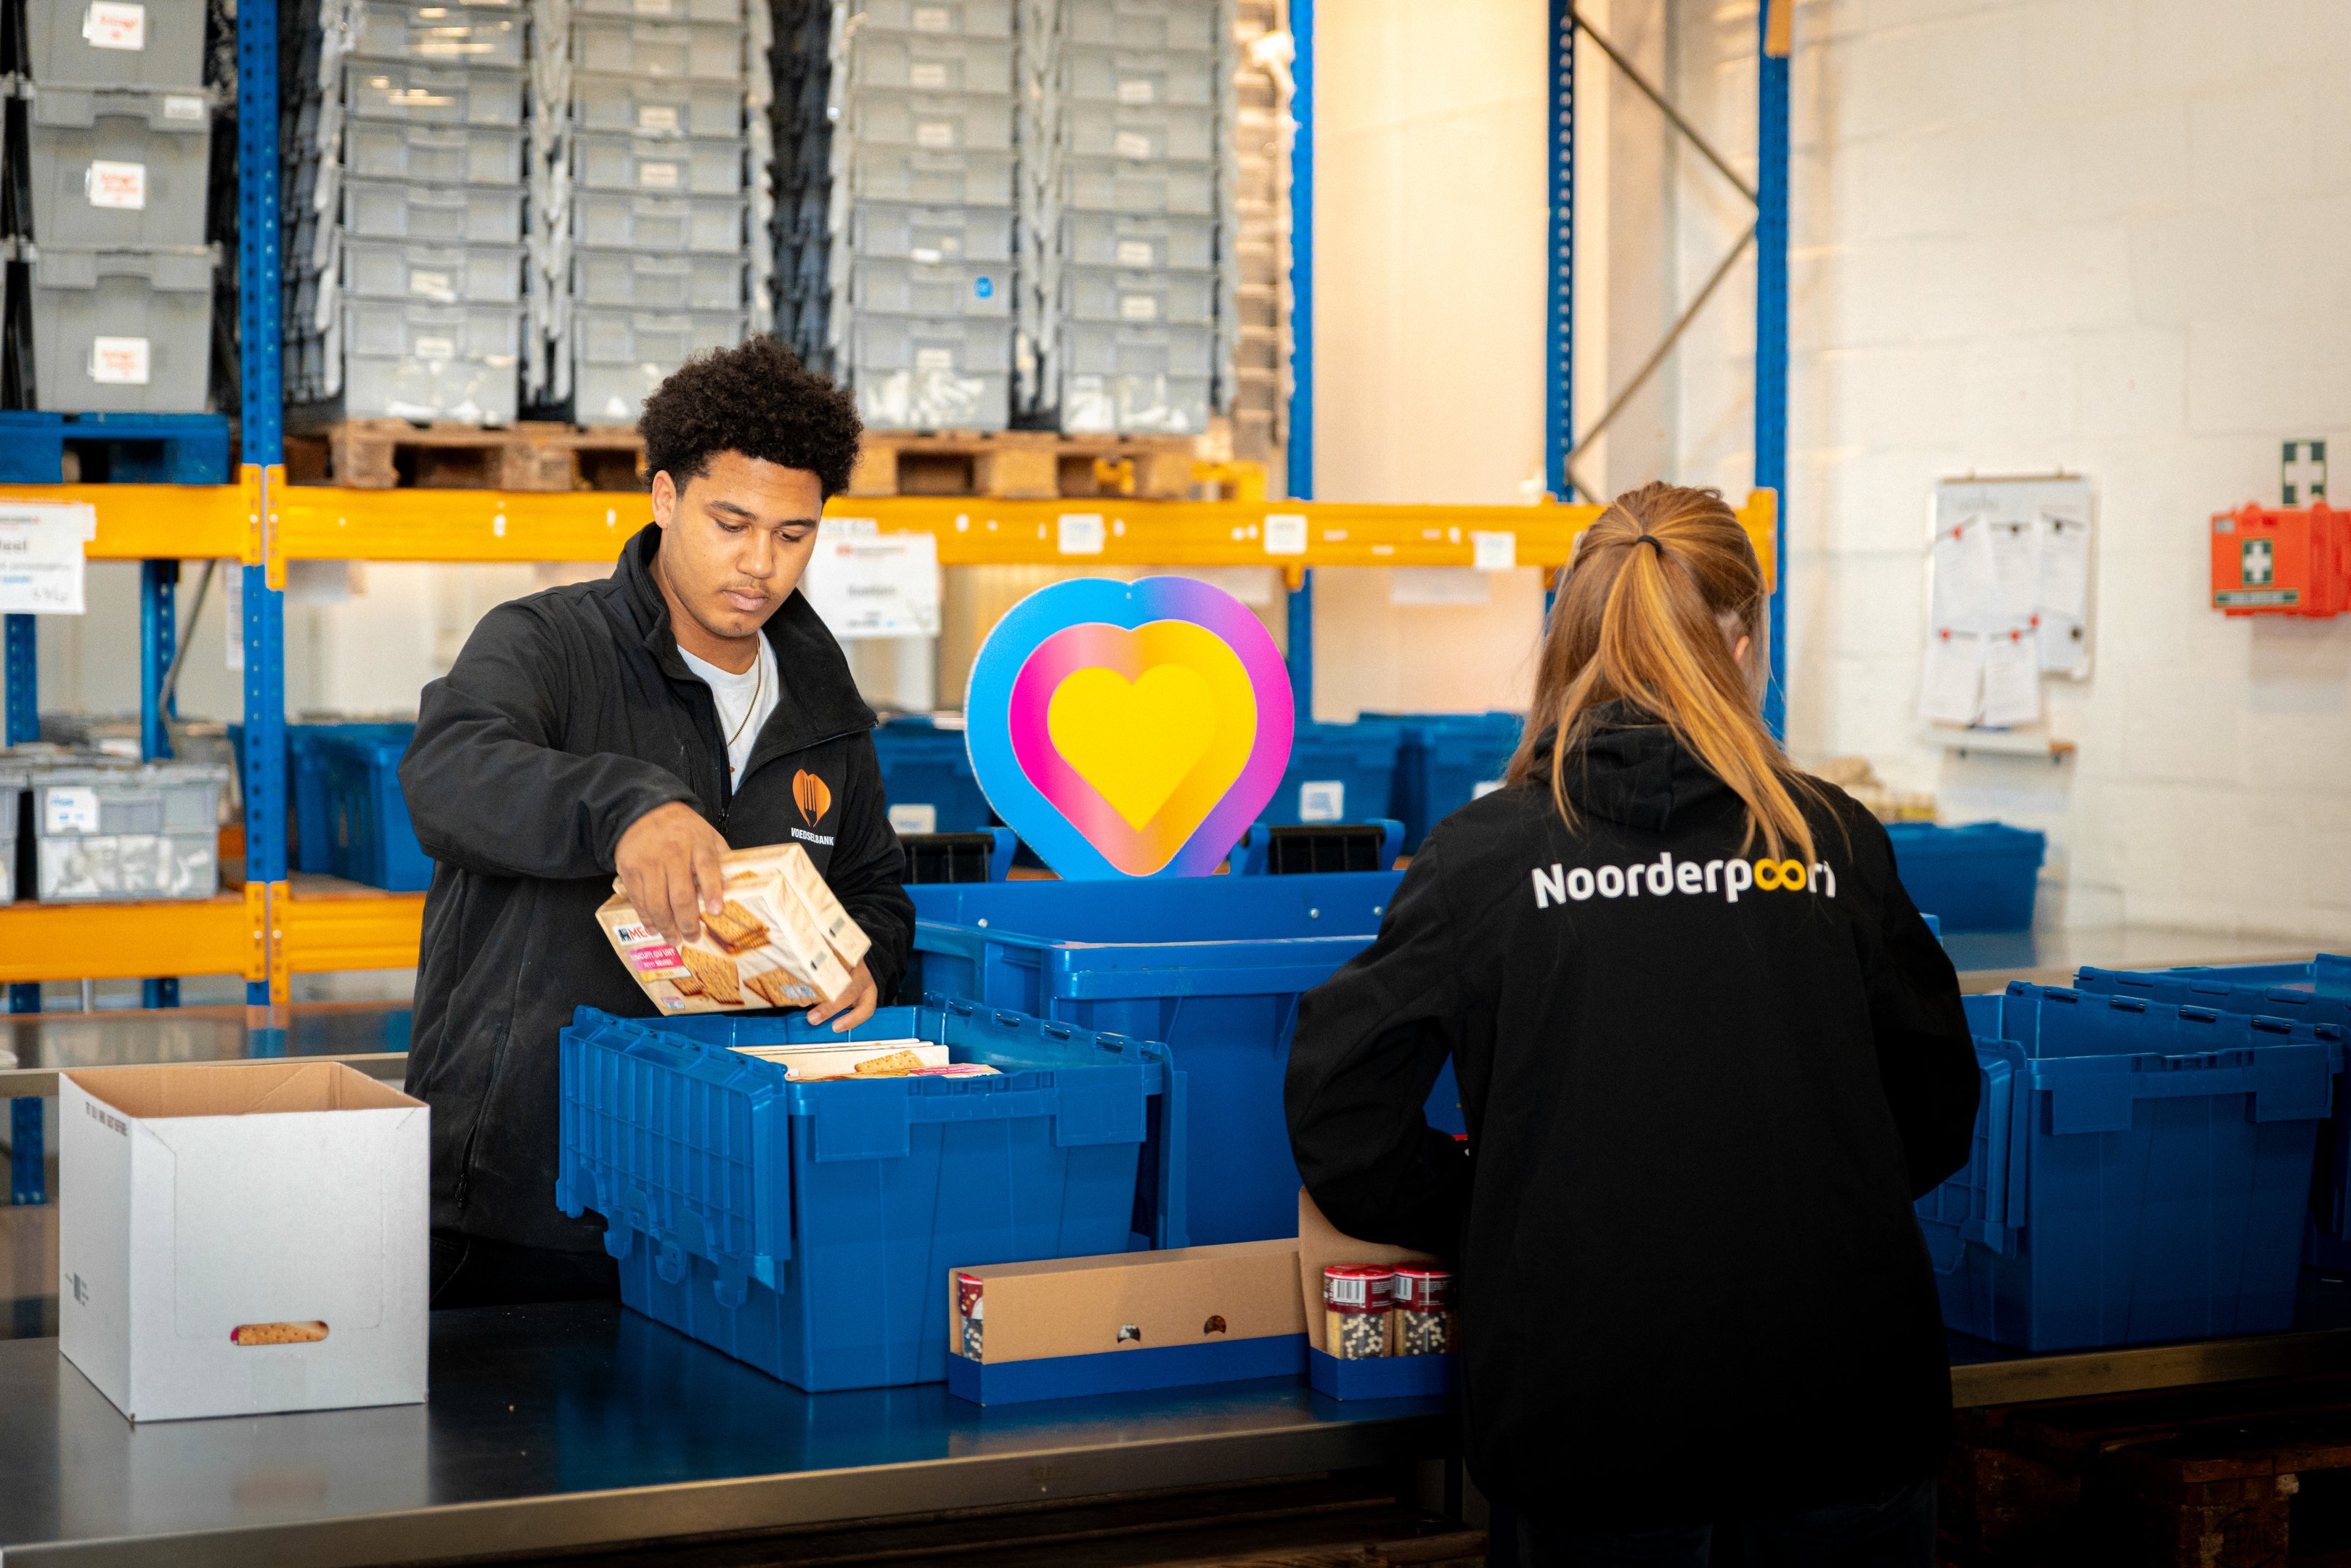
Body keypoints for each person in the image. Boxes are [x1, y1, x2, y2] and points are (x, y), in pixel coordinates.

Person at [1284, 483, 1979, 1567]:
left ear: (1569, 637)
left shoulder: (1485, 858)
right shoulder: (1831, 842)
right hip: (1839, 1403)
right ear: (1745, 640)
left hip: (1592, 1419)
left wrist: (1495, 1204)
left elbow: (1341, 1108)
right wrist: (1804, 1204)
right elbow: (1938, 1100)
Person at [400, 338, 916, 1310]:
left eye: (794, 534)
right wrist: (626, 810)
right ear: (666, 497)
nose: (760, 564)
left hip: (724, 1196)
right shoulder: (546, 642)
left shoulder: (822, 701)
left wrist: (869, 961)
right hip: (525, 1195)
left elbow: (875, 887)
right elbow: (447, 773)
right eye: (732, 522)